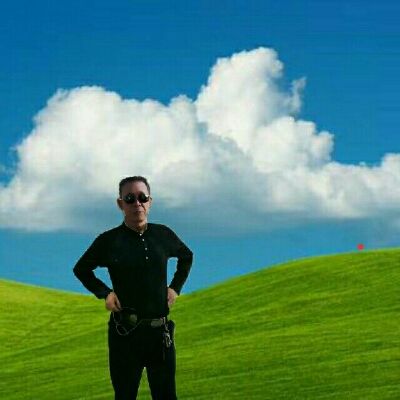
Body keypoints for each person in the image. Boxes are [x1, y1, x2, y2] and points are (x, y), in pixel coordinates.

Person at [73, 176, 193, 400]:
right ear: (121, 204)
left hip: (160, 335)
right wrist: (105, 293)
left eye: (142, 197)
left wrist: (175, 288)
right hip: (125, 335)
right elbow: (81, 269)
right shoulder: (108, 241)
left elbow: (187, 256)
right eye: (130, 198)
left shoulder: (163, 234)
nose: (137, 203)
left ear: (150, 202)